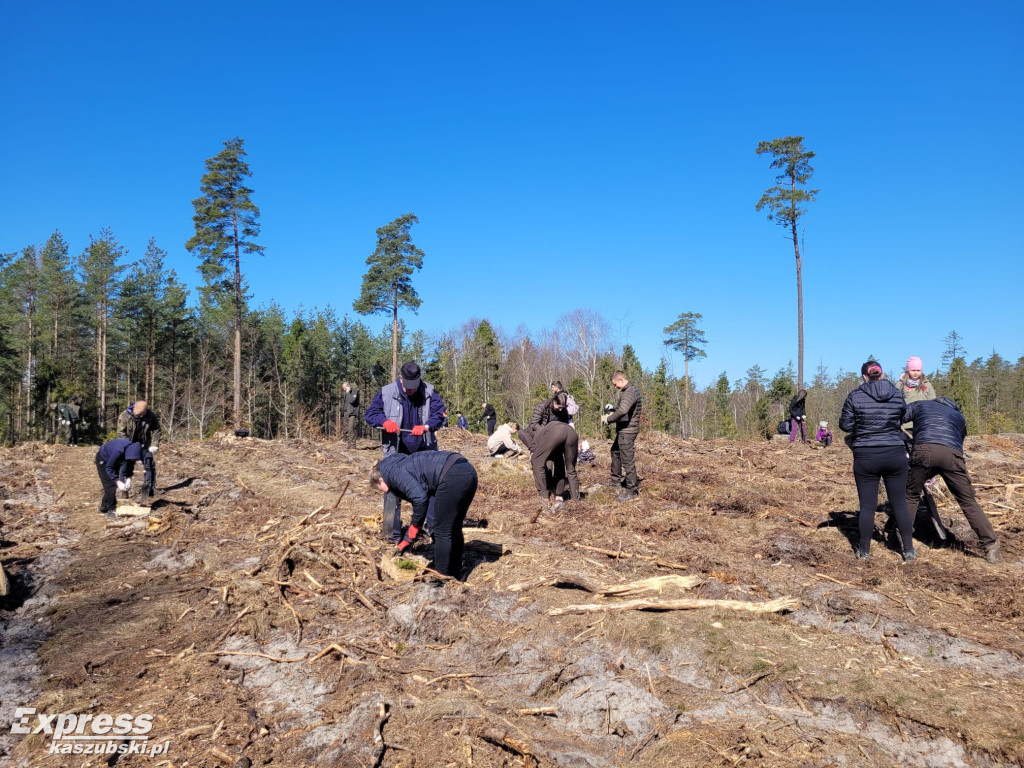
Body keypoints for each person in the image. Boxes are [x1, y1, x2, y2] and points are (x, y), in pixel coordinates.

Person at [902, 397, 1003, 563]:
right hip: (952, 455)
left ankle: (903, 541)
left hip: (924, 450)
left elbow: (899, 416)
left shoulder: (922, 404)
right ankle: (991, 547)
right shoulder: (959, 417)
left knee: (911, 495)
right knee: (968, 501)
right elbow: (957, 443)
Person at [839, 360, 915, 561]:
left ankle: (864, 551)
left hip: (866, 455)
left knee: (867, 506)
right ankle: (908, 550)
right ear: (881, 374)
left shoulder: (855, 395)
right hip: (895, 453)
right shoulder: (896, 393)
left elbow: (845, 425)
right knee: (899, 504)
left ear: (865, 376)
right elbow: (903, 417)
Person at [364, 362, 447, 543]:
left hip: (423, 450)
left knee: (432, 488)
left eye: (414, 387)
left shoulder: (429, 392)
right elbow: (370, 414)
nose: (410, 391)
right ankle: (390, 533)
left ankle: (431, 530)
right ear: (401, 379)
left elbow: (439, 415)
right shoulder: (386, 392)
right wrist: (384, 422)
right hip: (396, 449)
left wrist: (426, 427)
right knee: (392, 488)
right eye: (407, 387)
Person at [371, 451, 478, 579]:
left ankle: (442, 577)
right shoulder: (396, 464)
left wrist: (412, 530)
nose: (385, 491)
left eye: (380, 488)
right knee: (453, 527)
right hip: (467, 470)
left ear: (380, 480)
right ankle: (455, 572)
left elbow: (420, 499)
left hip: (451, 475)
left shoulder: (394, 474)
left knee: (441, 530)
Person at [896, 355, 945, 542]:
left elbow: (933, 404)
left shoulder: (927, 385)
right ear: (907, 370)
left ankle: (927, 478)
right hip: (904, 428)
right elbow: (895, 402)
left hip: (922, 427)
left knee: (924, 458)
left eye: (918, 370)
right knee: (908, 460)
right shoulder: (900, 385)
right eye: (912, 369)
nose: (915, 372)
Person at [602, 370, 643, 502]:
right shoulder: (629, 392)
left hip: (627, 431)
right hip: (624, 429)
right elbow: (623, 410)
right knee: (615, 451)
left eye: (615, 384)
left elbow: (623, 411)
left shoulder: (630, 392)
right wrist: (613, 409)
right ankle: (616, 481)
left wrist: (608, 419)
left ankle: (632, 491)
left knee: (627, 459)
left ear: (621, 380)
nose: (615, 387)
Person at [520, 420, 580, 505]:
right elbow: (558, 462)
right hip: (572, 433)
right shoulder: (546, 432)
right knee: (570, 469)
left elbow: (522, 432)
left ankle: (544, 497)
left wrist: (533, 451)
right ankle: (574, 499)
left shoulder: (536, 434)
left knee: (536, 461)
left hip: (557, 432)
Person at [116, 400, 161, 504]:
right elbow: (120, 432)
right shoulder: (124, 416)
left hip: (144, 445)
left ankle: (148, 490)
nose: (140, 417)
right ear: (134, 409)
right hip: (129, 445)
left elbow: (157, 430)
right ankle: (124, 492)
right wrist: (130, 446)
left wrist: (154, 444)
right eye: (138, 415)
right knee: (125, 467)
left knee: (149, 465)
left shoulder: (150, 416)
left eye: (142, 415)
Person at [95, 438, 143, 515]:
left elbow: (130, 464)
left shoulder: (132, 450)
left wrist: (128, 478)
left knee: (113, 485)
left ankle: (104, 506)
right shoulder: (118, 451)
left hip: (114, 461)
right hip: (103, 459)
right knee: (109, 485)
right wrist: (117, 481)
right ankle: (111, 509)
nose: (134, 460)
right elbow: (109, 468)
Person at [342, 381, 360, 448]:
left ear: (348, 386)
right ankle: (349, 444)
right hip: (346, 413)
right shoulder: (345, 393)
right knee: (346, 429)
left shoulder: (355, 392)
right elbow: (345, 403)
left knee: (351, 429)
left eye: (344, 388)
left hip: (352, 413)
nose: (344, 389)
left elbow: (352, 400)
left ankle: (353, 445)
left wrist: (348, 393)